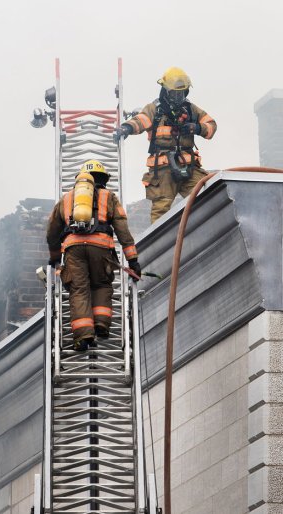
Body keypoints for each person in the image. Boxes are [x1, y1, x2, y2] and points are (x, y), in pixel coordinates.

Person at [46, 160, 141, 351]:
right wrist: (132, 260)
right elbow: (122, 228)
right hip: (101, 249)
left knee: (79, 290)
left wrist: (55, 256)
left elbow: (52, 232)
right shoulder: (109, 197)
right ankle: (101, 325)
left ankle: (83, 336)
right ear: (103, 180)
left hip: (74, 249)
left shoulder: (67, 199)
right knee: (101, 284)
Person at [115, 66, 217, 223]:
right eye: (175, 92)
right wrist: (126, 128)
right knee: (161, 210)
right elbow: (140, 121)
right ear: (165, 90)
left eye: (182, 92)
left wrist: (196, 127)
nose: (178, 96)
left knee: (206, 194)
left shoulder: (191, 109)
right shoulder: (154, 109)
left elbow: (211, 126)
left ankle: (203, 229)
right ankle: (160, 244)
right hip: (163, 169)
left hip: (189, 167)